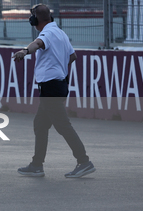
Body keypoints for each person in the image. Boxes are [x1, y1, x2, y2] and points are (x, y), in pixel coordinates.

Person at [13, 4, 95, 178]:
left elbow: (38, 44)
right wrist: (59, 67)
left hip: (51, 86)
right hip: (57, 85)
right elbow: (73, 56)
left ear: (36, 20)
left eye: (32, 17)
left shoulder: (47, 34)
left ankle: (84, 161)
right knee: (40, 125)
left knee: (63, 125)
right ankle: (37, 165)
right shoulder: (61, 33)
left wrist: (25, 51)